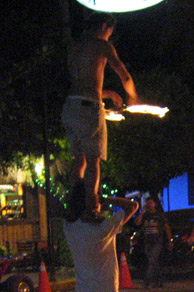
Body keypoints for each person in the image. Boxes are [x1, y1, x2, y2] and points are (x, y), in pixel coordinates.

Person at [62, 13, 140, 219]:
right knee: (93, 160)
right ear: (105, 26)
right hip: (89, 108)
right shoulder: (102, 46)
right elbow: (124, 74)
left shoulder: (75, 47)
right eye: (110, 32)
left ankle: (74, 206)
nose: (109, 36)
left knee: (78, 159)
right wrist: (133, 97)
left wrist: (109, 94)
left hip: (70, 106)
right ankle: (89, 209)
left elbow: (84, 84)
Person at [135, 197, 173, 289]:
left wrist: (170, 240)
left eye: (151, 203)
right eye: (148, 203)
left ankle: (148, 282)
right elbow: (138, 223)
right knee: (153, 262)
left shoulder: (159, 215)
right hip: (147, 241)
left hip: (157, 241)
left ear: (154, 204)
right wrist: (142, 212)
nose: (149, 205)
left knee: (152, 260)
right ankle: (159, 281)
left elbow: (166, 227)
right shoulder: (146, 215)